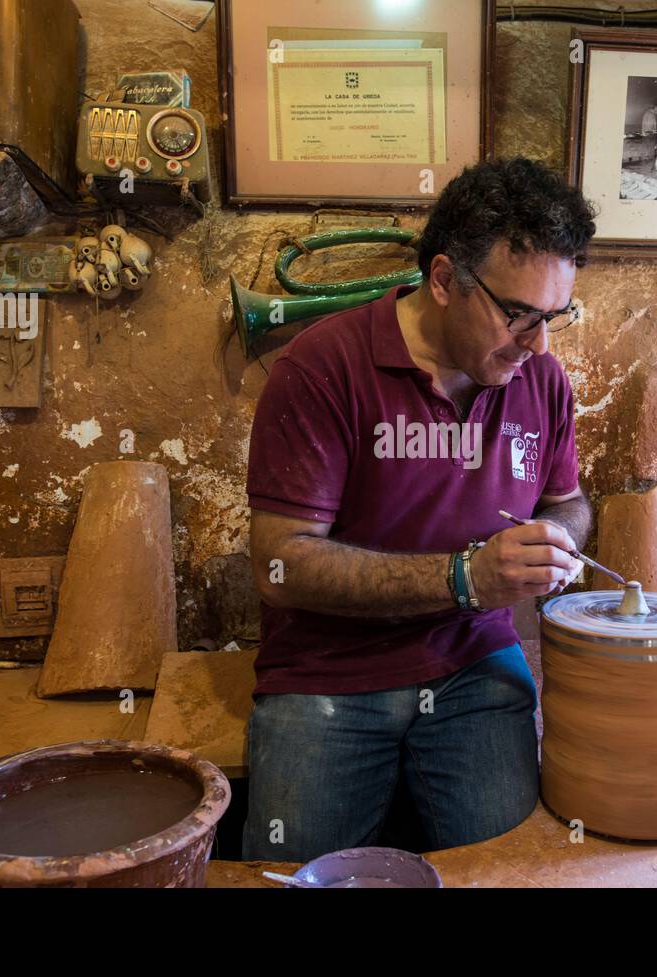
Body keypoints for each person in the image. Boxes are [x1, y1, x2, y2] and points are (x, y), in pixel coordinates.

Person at [243, 156, 598, 861]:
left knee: (510, 875)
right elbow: (280, 564)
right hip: (326, 673)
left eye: (555, 316)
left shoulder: (543, 381)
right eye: (519, 314)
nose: (540, 343)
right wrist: (463, 579)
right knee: (300, 874)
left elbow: (570, 503)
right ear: (443, 281)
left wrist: (556, 541)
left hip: (476, 667)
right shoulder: (321, 369)